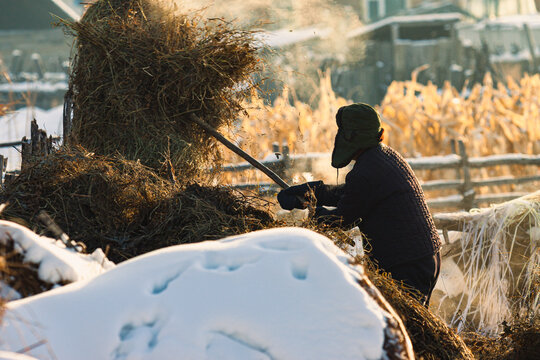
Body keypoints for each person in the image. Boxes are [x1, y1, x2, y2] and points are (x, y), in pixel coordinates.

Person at [277, 103, 441, 306]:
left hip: (407, 264)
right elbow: (352, 194)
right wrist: (310, 191)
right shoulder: (383, 157)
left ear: (352, 136)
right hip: (422, 256)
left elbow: (342, 218)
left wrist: (310, 213)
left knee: (402, 331)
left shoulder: (368, 170)